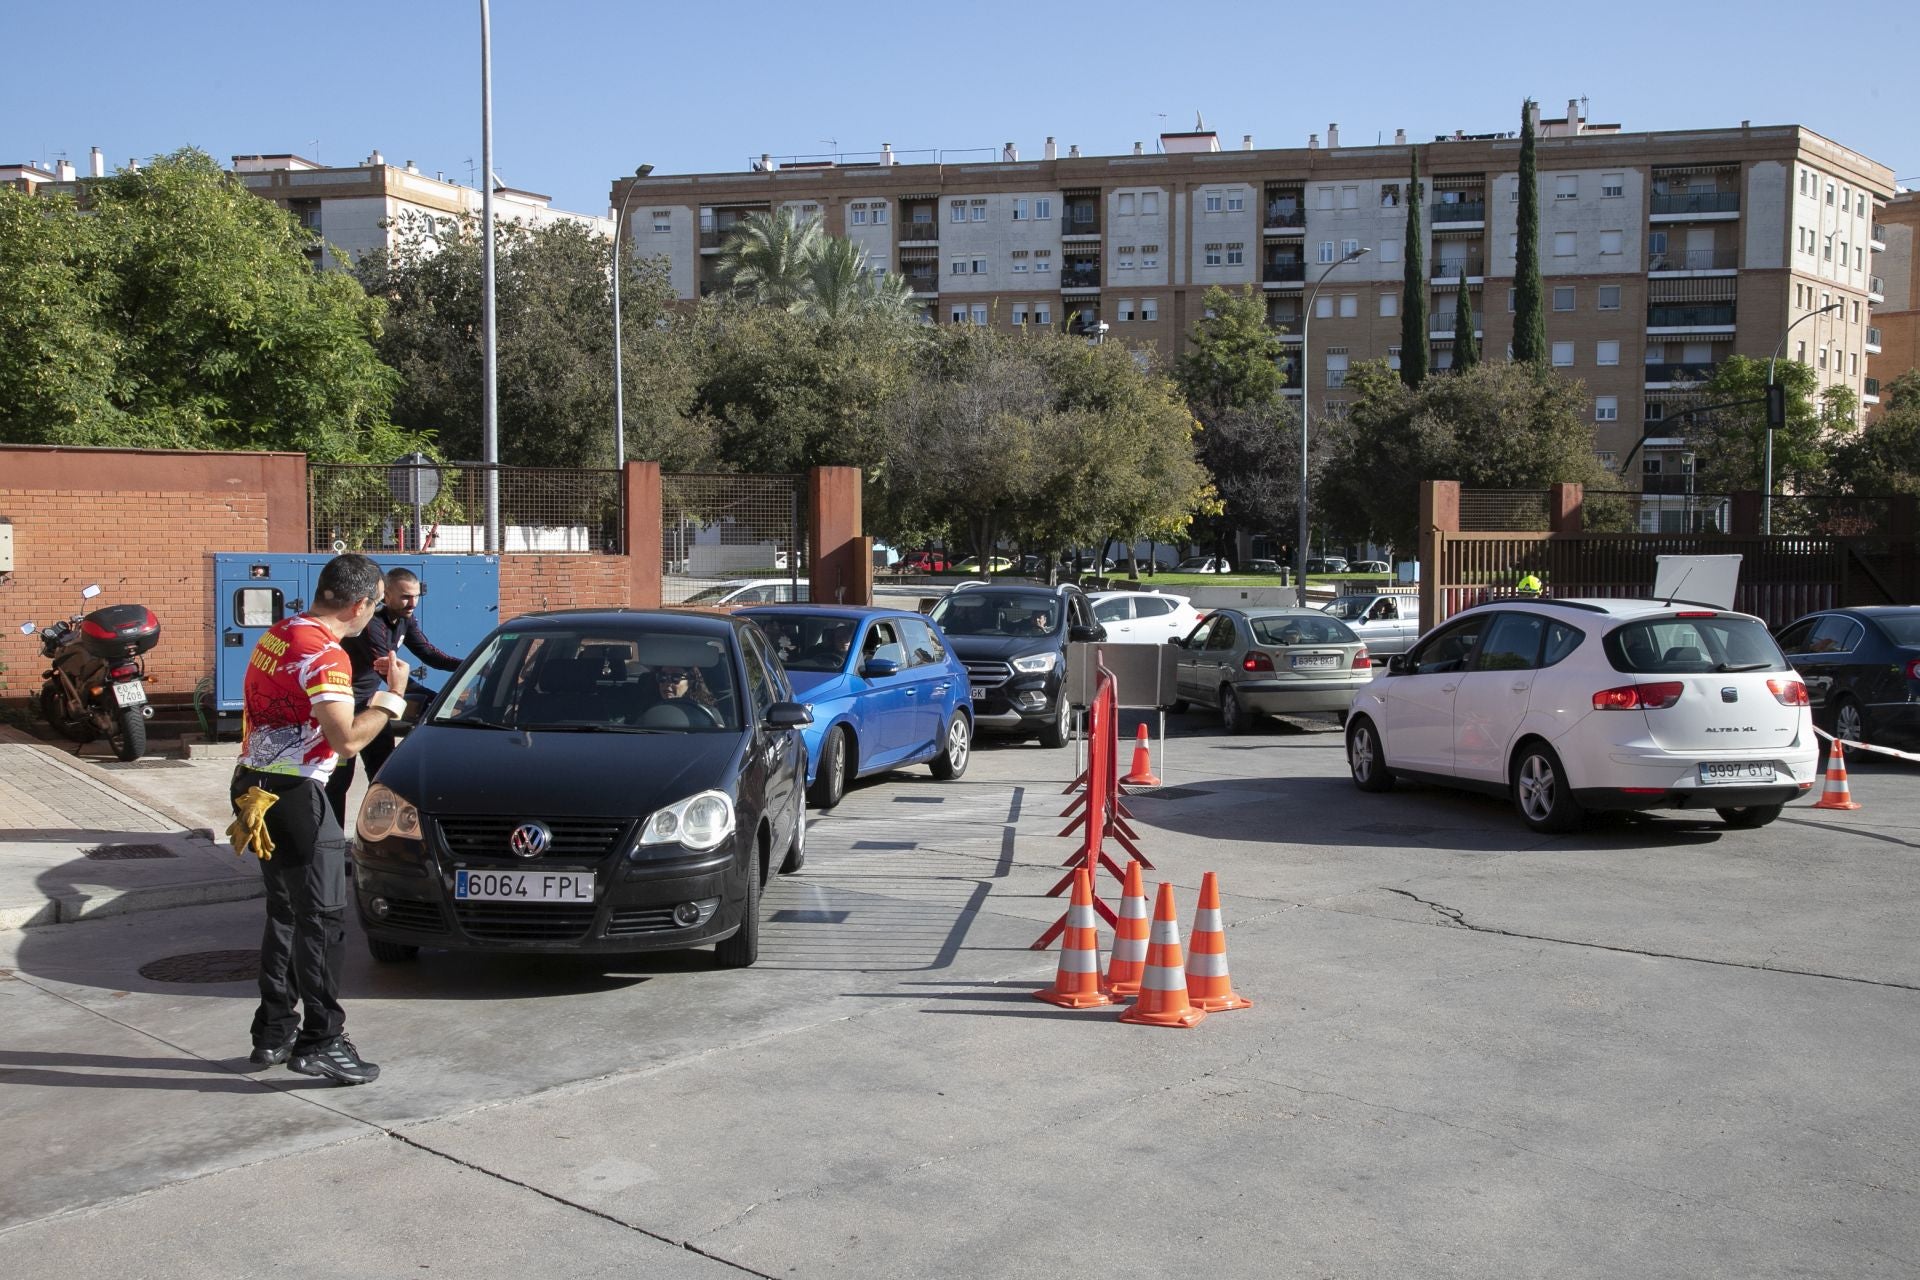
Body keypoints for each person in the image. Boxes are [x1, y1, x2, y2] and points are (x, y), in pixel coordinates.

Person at [229, 554, 408, 1086]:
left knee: (285, 912)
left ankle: (273, 1032)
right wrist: (391, 698)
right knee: (324, 921)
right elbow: (347, 739)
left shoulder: (282, 632)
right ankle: (322, 1040)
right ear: (358, 605)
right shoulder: (327, 656)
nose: (373, 613)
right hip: (296, 794)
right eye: (375, 604)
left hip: (253, 785)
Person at [326, 568, 465, 825]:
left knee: (383, 774)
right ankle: (331, 844)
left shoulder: (405, 619)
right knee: (338, 782)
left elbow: (429, 653)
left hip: (372, 706)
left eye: (415, 596)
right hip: (345, 708)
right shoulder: (372, 624)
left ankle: (376, 833)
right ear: (386, 595)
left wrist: (470, 666)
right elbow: (390, 674)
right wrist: (437, 701)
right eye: (404, 597)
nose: (411, 603)